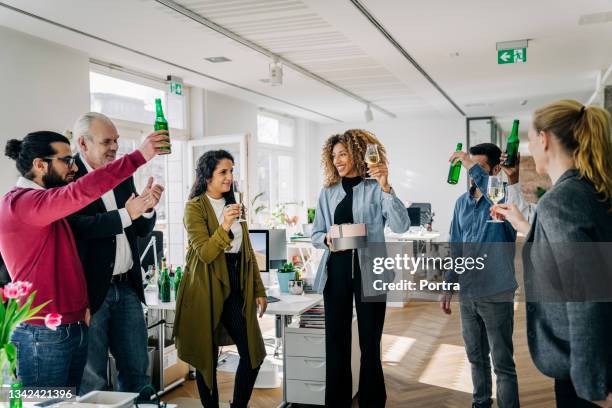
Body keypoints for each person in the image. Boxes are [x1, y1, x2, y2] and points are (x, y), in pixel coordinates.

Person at [0, 129, 167, 390]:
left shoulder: (44, 204)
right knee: (49, 404)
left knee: (74, 401)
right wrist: (140, 155)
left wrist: (81, 308)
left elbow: (68, 261)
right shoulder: (24, 203)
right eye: (66, 160)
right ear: (40, 165)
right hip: (43, 332)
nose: (74, 166)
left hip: (70, 323)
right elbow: (82, 191)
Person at [493, 100, 612, 408]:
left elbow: (585, 293)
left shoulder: (560, 201)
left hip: (580, 360)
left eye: (530, 139)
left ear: (544, 140)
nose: (530, 146)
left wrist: (589, 381)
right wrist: (523, 223)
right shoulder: (588, 189)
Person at [66, 113, 164, 395]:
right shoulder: (69, 177)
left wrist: (146, 208)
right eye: (107, 141)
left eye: (117, 141)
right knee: (93, 380)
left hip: (128, 289)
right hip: (91, 295)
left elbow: (140, 228)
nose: (114, 147)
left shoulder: (121, 175)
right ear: (83, 144)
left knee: (138, 373)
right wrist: (126, 214)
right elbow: (79, 229)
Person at [311, 129, 410, 407]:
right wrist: (327, 239)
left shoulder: (377, 188)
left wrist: (387, 187)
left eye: (343, 154)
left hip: (371, 273)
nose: (338, 160)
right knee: (336, 345)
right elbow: (316, 234)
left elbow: (401, 226)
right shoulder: (328, 191)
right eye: (334, 156)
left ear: (357, 153)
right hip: (337, 274)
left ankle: (372, 402)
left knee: (369, 345)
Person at [173, 150, 267, 408]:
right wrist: (224, 225)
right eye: (223, 172)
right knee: (207, 358)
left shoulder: (234, 205)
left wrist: (259, 289)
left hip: (236, 283)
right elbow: (204, 253)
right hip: (205, 287)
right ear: (207, 176)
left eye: (231, 171)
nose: (229, 177)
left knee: (253, 354)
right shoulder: (194, 208)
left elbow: (246, 253)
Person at [440, 143, 520, 408]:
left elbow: (495, 193)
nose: (471, 174)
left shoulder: (503, 199)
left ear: (496, 169)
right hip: (468, 293)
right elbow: (457, 247)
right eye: (469, 168)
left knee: (502, 364)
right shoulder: (461, 203)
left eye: (479, 168)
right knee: (475, 358)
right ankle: (480, 404)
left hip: (497, 292)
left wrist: (469, 164)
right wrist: (449, 285)